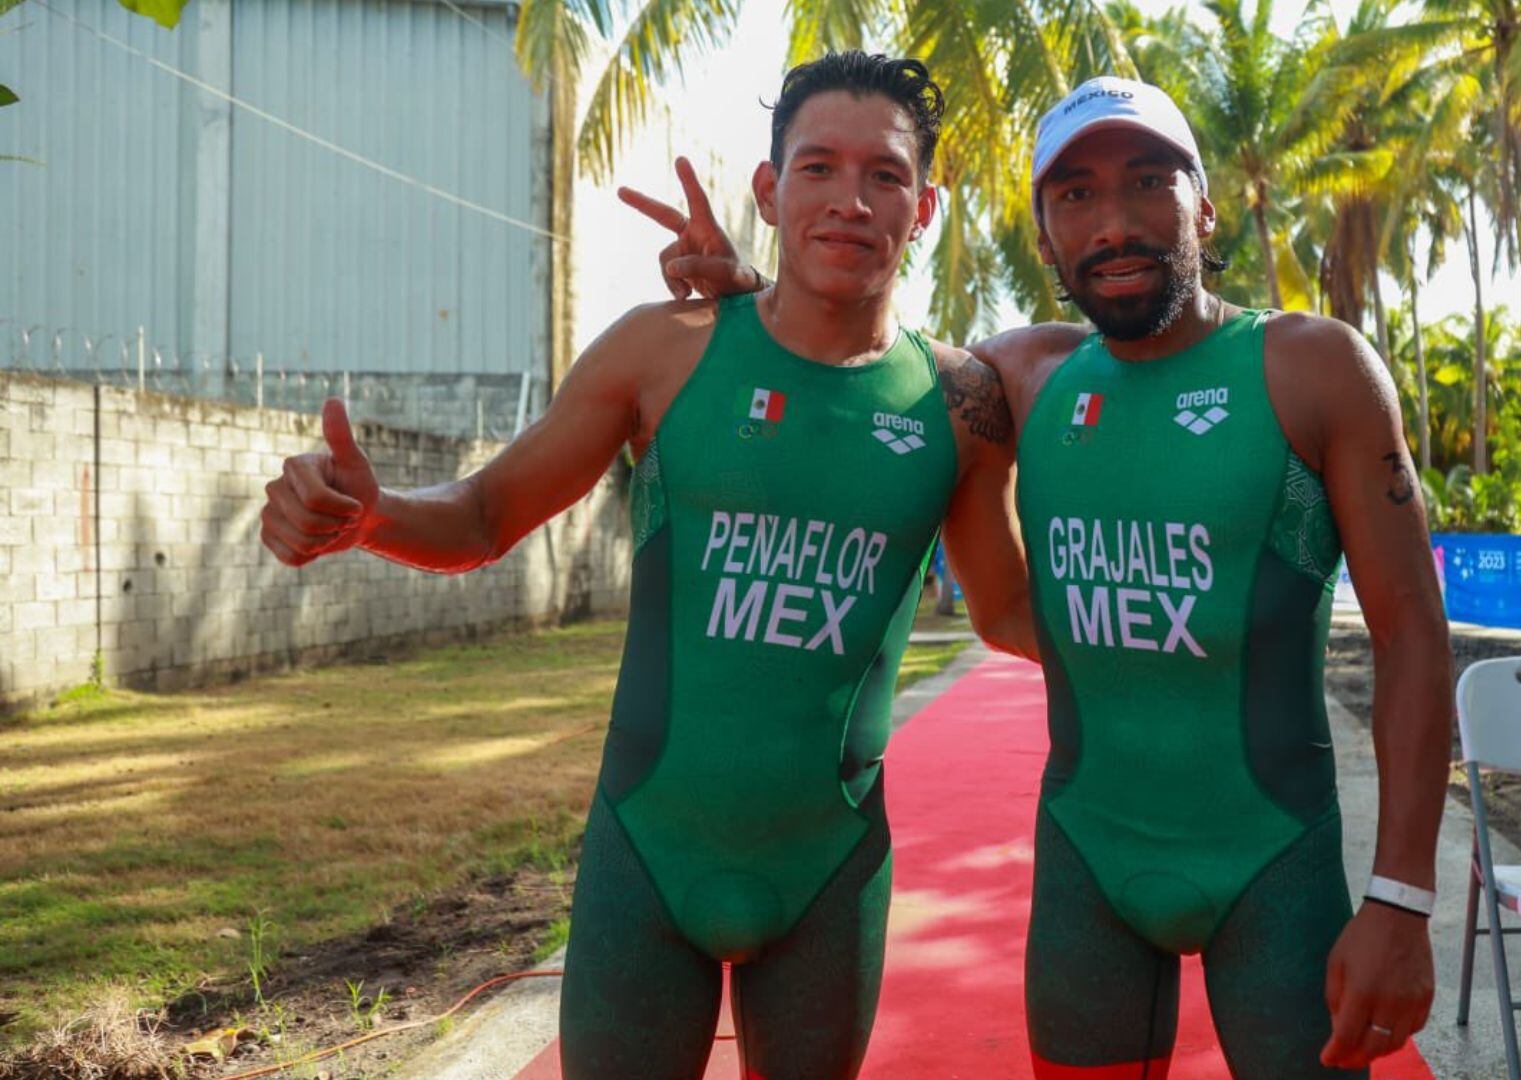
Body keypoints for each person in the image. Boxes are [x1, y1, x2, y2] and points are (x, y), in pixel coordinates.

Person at [647, 75, 1453, 1079]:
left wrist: (1401, 899)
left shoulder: (1312, 366)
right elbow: (855, 367)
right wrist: (747, 304)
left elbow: (1412, 637)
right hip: (1087, 865)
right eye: (1074, 195)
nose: (1113, 223)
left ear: (1202, 205)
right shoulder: (1017, 378)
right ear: (1044, 239)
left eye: (1147, 182)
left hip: (1273, 863)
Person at [258, 52, 1032, 1080]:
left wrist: (1209, 620)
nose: (851, 200)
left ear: (924, 204)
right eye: (816, 168)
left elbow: (1009, 610)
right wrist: (375, 517)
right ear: (769, 188)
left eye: (884, 176)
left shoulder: (960, 406)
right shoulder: (662, 351)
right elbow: (488, 511)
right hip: (650, 849)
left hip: (830, 865)